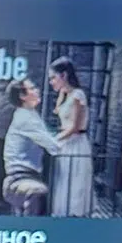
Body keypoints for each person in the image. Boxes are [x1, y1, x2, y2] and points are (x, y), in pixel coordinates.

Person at [0, 73, 55, 217]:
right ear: (22, 96)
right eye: (32, 88)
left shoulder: (30, 115)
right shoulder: (25, 118)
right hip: (19, 179)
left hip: (26, 177)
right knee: (39, 192)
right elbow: (53, 146)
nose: (37, 90)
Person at [48, 54, 96, 216]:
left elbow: (74, 127)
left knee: (75, 184)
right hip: (66, 144)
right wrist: (62, 92)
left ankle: (75, 215)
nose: (51, 82)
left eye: (53, 77)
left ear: (64, 75)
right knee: (63, 183)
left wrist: (52, 140)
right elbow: (57, 111)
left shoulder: (78, 95)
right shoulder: (66, 95)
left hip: (76, 143)